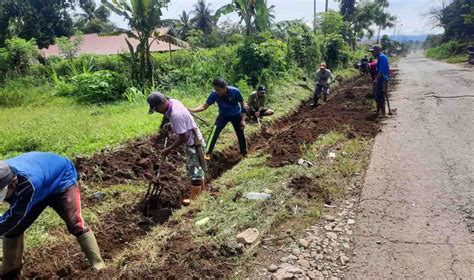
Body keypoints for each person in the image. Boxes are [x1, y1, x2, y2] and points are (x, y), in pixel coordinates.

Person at [0, 152, 105, 277]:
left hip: (61, 179)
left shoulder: (28, 185)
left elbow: (13, 217)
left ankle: (100, 268)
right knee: (13, 230)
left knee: (75, 223)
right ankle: (10, 271)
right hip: (42, 179)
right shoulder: (3, 175)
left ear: (13, 182)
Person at [147, 92, 206, 199]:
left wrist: (168, 149)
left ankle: (195, 202)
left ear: (163, 102)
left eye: (156, 108)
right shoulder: (173, 102)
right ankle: (201, 196)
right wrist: (171, 125)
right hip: (194, 140)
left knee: (195, 174)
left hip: (194, 144)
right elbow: (183, 121)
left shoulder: (176, 115)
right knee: (197, 171)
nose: (156, 111)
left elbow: (184, 137)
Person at [190, 78, 247, 159]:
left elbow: (243, 104)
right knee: (214, 132)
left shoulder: (235, 91)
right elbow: (204, 106)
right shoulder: (214, 94)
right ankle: (207, 153)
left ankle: (243, 153)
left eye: (218, 90)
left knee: (240, 133)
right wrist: (191, 110)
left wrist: (243, 120)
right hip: (223, 115)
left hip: (236, 115)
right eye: (215, 90)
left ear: (225, 87)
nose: (217, 92)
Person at [370, 45, 390, 117]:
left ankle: (383, 114)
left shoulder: (381, 57)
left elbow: (381, 71)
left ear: (378, 50)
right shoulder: (381, 57)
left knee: (380, 96)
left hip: (382, 79)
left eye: (373, 51)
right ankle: (378, 112)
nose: (372, 53)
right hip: (383, 79)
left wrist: (376, 79)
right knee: (378, 96)